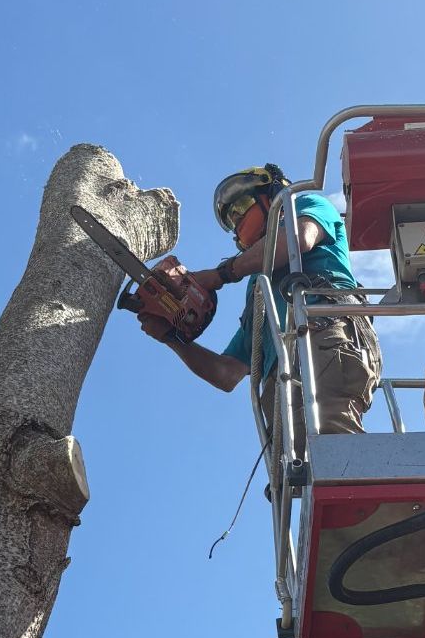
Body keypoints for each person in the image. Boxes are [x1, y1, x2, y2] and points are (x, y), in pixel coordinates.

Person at [137, 164, 382, 441]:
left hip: (326, 335)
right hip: (281, 380)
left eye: (241, 206)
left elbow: (299, 239)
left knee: (331, 439)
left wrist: (221, 274)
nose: (237, 219)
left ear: (271, 194)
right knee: (296, 462)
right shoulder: (259, 286)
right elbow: (227, 373)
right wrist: (172, 338)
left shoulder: (305, 206)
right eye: (231, 219)